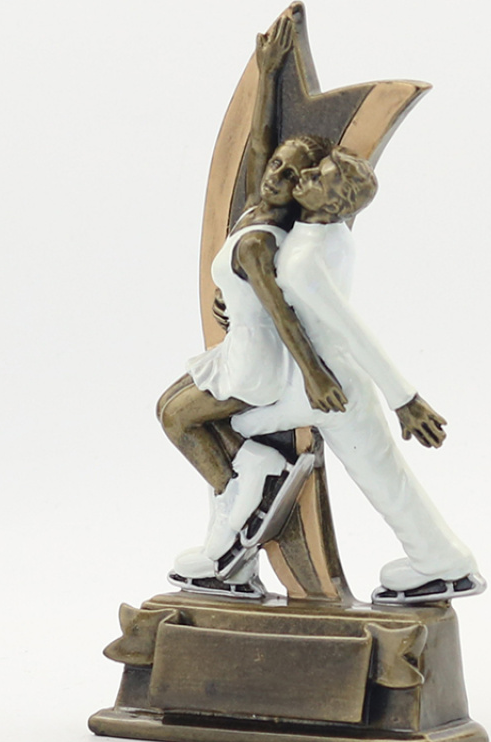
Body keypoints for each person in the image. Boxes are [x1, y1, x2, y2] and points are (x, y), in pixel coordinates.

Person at [230, 148, 486, 603]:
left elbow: (353, 330)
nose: (306, 175)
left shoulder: (302, 259)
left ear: (333, 203)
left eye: (319, 177)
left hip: (327, 386)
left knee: (235, 423)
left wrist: (404, 399)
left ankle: (444, 565)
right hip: (337, 381)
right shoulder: (331, 235)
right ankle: (443, 559)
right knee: (383, 473)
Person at [156, 14, 343, 595]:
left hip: (256, 361)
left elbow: (283, 313)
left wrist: (314, 375)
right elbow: (259, 145)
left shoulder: (261, 241)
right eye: (277, 166)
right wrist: (268, 77)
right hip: (241, 345)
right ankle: (243, 495)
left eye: (289, 175)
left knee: (175, 417)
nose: (274, 175)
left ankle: (241, 498)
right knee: (171, 409)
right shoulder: (258, 211)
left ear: (303, 190)